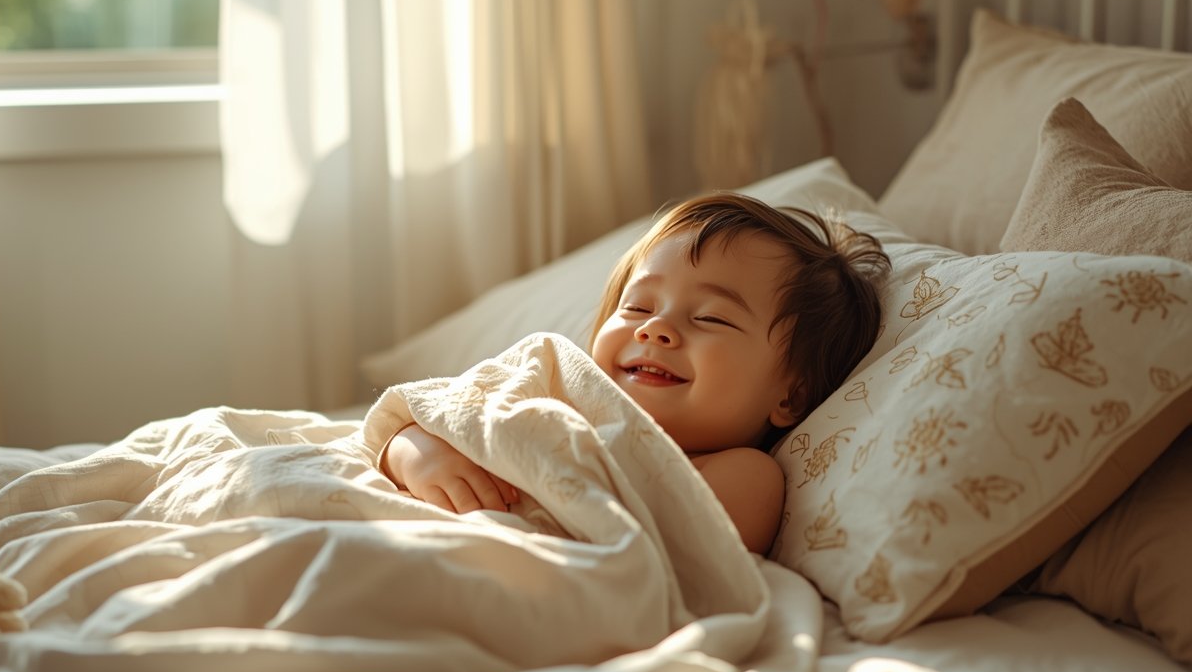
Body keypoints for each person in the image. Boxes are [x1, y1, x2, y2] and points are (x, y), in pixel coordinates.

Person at [380, 192, 890, 553]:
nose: (656, 330)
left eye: (711, 317)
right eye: (638, 308)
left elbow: (677, 555)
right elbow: (429, 412)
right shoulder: (552, 387)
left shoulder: (741, 474)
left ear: (792, 397)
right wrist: (417, 455)